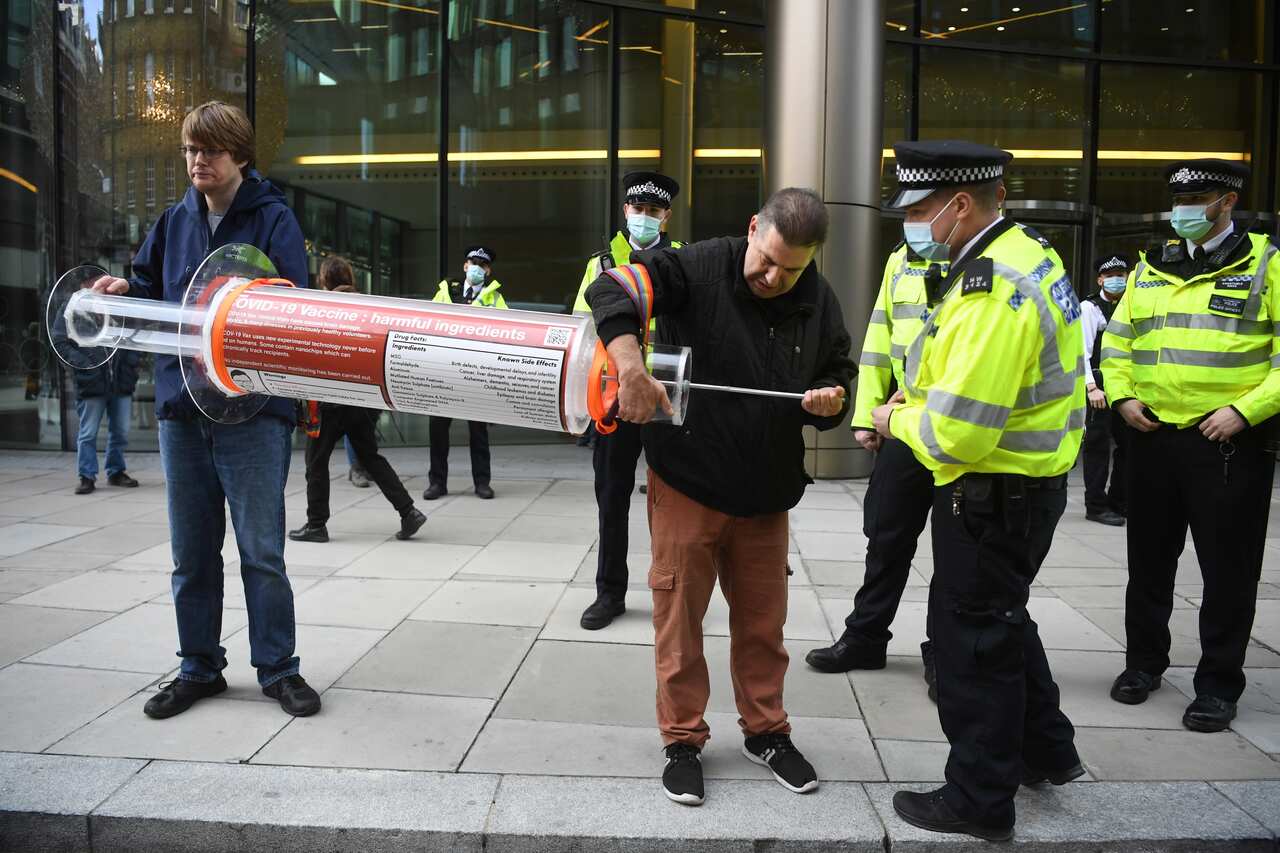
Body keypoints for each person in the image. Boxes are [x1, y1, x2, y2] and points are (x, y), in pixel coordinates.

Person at [586, 187, 855, 807]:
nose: (773, 277)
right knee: (679, 619)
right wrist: (630, 365)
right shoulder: (700, 265)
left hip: (765, 493)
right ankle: (682, 739)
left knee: (763, 625)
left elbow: (838, 370)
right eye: (766, 259)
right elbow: (614, 290)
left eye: (792, 269)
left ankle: (766, 732)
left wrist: (830, 398)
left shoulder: (817, 299)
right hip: (689, 480)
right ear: (753, 226)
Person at [871, 141, 1084, 842]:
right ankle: (1047, 751)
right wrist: (922, 390)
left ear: (962, 204)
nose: (914, 223)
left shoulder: (991, 287)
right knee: (1002, 620)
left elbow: (959, 434)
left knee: (972, 645)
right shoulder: (1029, 253)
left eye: (923, 209)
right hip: (1025, 484)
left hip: (991, 492)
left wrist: (892, 416)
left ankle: (978, 798)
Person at [90, 101, 320, 720]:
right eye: (191, 151)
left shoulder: (272, 220)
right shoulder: (173, 220)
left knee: (261, 552)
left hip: (253, 413)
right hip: (182, 412)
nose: (197, 161)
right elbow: (146, 290)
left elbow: (290, 308)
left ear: (239, 156)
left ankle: (278, 669)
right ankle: (198, 667)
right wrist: (120, 289)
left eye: (210, 151)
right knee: (191, 553)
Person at [1101, 158, 1280, 734]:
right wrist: (1123, 396)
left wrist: (1244, 413)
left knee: (1227, 569)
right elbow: (1118, 340)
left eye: (1197, 198)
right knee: (1148, 562)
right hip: (1152, 437)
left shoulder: (1265, 264)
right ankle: (1143, 665)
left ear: (1226, 202)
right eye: (1178, 199)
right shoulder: (1152, 264)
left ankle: (1218, 685)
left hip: (1225, 443)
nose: (1182, 210)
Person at [804, 237, 940, 697]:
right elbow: (879, 340)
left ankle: (945, 650)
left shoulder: (984, 260)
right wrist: (866, 415)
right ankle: (866, 637)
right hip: (901, 423)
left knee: (955, 548)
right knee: (885, 534)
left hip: (958, 425)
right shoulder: (901, 258)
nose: (916, 220)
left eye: (925, 209)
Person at [574, 171, 684, 630]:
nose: (644, 218)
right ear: (625, 212)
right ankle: (609, 592)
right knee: (612, 498)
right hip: (615, 401)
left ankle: (674, 589)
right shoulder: (600, 265)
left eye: (653, 212)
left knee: (676, 501)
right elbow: (581, 335)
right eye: (637, 210)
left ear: (666, 216)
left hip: (669, 398)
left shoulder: (683, 260)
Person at [288, 256, 426, 544]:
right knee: (371, 458)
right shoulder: (369, 306)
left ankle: (316, 525)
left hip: (330, 401)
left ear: (325, 281)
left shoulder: (324, 308)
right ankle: (408, 511)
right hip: (361, 399)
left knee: (316, 461)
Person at [424, 245, 507, 500]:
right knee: (437, 430)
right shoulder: (446, 291)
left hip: (475, 372)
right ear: (464, 266)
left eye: (482, 265)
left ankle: (482, 482)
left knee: (478, 432)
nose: (477, 269)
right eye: (473, 263)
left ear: (488, 270)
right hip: (445, 370)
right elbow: (428, 321)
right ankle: (437, 483)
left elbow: (505, 331)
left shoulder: (495, 298)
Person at [1080, 254, 1131, 526]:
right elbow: (1082, 352)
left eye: (1121, 275)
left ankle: (1120, 502)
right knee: (1097, 447)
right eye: (1110, 276)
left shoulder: (1132, 303)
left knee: (1128, 446)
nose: (1116, 280)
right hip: (1098, 387)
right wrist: (1091, 388)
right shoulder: (1090, 308)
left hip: (1127, 387)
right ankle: (1096, 506)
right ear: (1100, 279)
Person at [68, 348, 142, 495]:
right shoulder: (76, 323)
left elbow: (133, 335)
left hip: (120, 379)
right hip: (91, 381)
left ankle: (116, 472)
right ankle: (87, 476)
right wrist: (84, 365)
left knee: (121, 432)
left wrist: (131, 363)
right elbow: (61, 343)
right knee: (88, 433)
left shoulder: (121, 322)